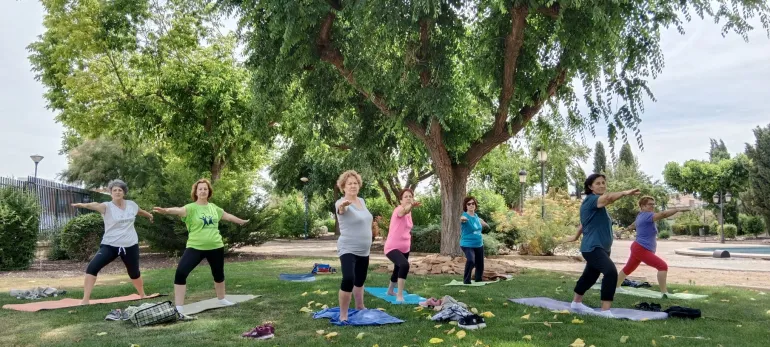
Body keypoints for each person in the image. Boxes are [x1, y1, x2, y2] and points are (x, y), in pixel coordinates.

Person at [152, 178, 249, 314]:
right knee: (181, 273)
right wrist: (166, 211)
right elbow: (178, 211)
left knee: (218, 274)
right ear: (196, 192)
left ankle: (221, 299)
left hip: (216, 246)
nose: (203, 191)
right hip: (195, 247)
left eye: (205, 189)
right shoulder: (190, 208)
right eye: (200, 189)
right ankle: (179, 307)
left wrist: (241, 221)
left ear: (208, 191)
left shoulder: (214, 208)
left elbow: (228, 216)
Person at [566, 173, 640, 318]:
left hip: (602, 248)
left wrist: (575, 236)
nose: (602, 185)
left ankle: (576, 303)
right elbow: (608, 198)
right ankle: (605, 311)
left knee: (590, 276)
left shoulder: (598, 205)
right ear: (590, 187)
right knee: (611, 272)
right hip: (593, 247)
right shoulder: (592, 200)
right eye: (598, 183)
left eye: (603, 183)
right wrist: (625, 193)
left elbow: (584, 222)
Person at [72, 179, 154, 305]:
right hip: (110, 245)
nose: (117, 192)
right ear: (110, 193)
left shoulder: (131, 204)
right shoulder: (106, 206)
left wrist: (149, 215)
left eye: (120, 190)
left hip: (130, 245)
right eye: (114, 190)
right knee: (92, 267)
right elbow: (94, 204)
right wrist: (84, 205)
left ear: (124, 192)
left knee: (134, 272)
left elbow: (139, 211)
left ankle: (142, 294)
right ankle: (85, 300)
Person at [616, 197, 689, 297]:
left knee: (629, 268)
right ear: (642, 206)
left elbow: (634, 224)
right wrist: (677, 209)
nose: (652, 206)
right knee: (662, 266)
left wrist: (626, 229)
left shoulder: (641, 215)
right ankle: (664, 293)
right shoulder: (647, 215)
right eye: (650, 204)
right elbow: (663, 214)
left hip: (638, 247)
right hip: (641, 248)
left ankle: (616, 287)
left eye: (653, 204)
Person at [335, 170, 373, 322]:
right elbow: (341, 210)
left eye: (355, 183)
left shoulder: (362, 201)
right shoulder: (340, 202)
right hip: (348, 248)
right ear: (343, 187)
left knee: (360, 280)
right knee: (349, 278)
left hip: (364, 250)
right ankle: (343, 314)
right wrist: (344, 206)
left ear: (359, 185)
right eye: (349, 183)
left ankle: (359, 306)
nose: (353, 186)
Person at [384, 188, 421, 302]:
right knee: (404, 265)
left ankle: (390, 291)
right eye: (406, 197)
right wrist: (410, 206)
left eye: (410, 196)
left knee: (398, 268)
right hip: (392, 247)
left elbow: (407, 214)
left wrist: (411, 207)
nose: (409, 198)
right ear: (401, 200)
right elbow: (403, 212)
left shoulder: (410, 214)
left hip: (405, 247)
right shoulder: (398, 209)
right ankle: (399, 295)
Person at [460, 196, 489, 284]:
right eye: (469, 204)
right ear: (466, 206)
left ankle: (478, 279)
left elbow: (482, 223)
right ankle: (466, 280)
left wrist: (485, 224)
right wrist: (463, 219)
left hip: (479, 244)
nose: (471, 205)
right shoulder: (464, 216)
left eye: (473, 203)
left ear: (475, 205)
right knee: (471, 260)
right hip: (467, 244)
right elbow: (462, 219)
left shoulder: (476, 216)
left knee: (480, 264)